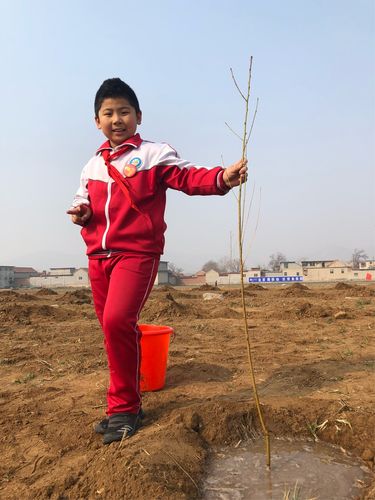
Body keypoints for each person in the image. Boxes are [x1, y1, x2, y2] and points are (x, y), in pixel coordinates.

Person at [67, 78, 247, 445]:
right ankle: (122, 404)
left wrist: (221, 178)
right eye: (108, 113)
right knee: (112, 330)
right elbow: (83, 202)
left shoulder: (153, 154)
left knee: (119, 320)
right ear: (96, 121)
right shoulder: (91, 166)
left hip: (137, 253)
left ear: (138, 116)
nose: (117, 119)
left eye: (124, 112)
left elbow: (186, 176)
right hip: (97, 257)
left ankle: (125, 409)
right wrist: (81, 213)